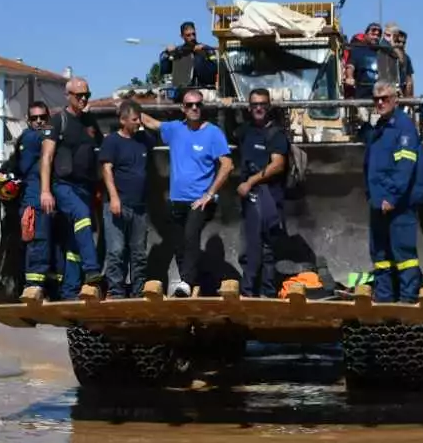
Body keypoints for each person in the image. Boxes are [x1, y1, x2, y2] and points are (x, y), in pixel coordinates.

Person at [131, 89, 232, 296]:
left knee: (190, 236)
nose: (194, 108)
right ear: (182, 109)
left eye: (198, 104)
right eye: (189, 105)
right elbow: (151, 123)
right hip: (177, 200)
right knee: (179, 244)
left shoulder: (213, 133)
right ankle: (194, 282)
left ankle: (186, 282)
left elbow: (227, 165)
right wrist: (129, 105)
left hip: (201, 201)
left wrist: (210, 194)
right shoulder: (175, 129)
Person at [33, 78, 104, 301]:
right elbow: (46, 158)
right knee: (83, 218)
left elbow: (100, 155)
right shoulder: (56, 122)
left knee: (75, 243)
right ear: (68, 96)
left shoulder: (91, 123)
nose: (83, 99)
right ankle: (93, 271)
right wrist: (45, 191)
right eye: (78, 95)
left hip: (86, 187)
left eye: (86, 95)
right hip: (63, 186)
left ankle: (70, 291)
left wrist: (100, 187)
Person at [361, 81, 423, 300]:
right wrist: (371, 195)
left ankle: (408, 304)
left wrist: (391, 197)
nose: (380, 103)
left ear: (395, 100)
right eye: (376, 99)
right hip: (378, 203)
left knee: (404, 255)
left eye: (385, 98)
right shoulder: (379, 129)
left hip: (398, 205)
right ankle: (384, 301)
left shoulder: (404, 127)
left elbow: (404, 168)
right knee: (380, 256)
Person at [233, 89, 290, 297]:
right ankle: (253, 291)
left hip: (269, 197)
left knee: (264, 248)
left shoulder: (276, 134)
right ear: (249, 108)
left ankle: (259, 292)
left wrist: (250, 181)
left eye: (263, 104)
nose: (259, 108)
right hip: (250, 199)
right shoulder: (245, 131)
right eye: (255, 104)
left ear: (269, 107)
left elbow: (278, 165)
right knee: (251, 247)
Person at [97, 101, 155, 298]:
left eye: (139, 118)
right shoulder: (112, 141)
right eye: (134, 119)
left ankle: (138, 293)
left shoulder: (144, 140)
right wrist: (114, 198)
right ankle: (116, 292)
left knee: (138, 253)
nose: (138, 122)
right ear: (122, 120)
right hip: (118, 204)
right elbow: (106, 169)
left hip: (139, 207)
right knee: (116, 251)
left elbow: (157, 132)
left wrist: (142, 118)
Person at [16, 101, 57, 297]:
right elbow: (18, 167)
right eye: (34, 118)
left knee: (55, 244)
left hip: (54, 197)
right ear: (27, 120)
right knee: (37, 241)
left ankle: (52, 288)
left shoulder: (46, 134)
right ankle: (34, 285)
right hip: (34, 198)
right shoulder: (31, 137)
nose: (39, 121)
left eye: (43, 118)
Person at [160, 22, 217, 94]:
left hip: (204, 90)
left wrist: (204, 55)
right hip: (183, 92)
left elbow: (216, 69)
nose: (192, 37)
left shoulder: (207, 50)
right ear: (182, 36)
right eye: (188, 35)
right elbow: (164, 70)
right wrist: (167, 53)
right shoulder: (178, 52)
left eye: (194, 34)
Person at [344, 22, 385, 99]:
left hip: (380, 99)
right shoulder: (357, 50)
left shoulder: (383, 53)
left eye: (378, 35)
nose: (376, 37)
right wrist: (349, 77)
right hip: (362, 99)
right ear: (365, 35)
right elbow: (350, 66)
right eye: (373, 34)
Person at [386, 26, 415, 97]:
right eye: (398, 42)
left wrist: (409, 99)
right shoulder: (384, 55)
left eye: (403, 43)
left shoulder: (407, 58)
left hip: (401, 97)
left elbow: (409, 80)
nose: (401, 45)